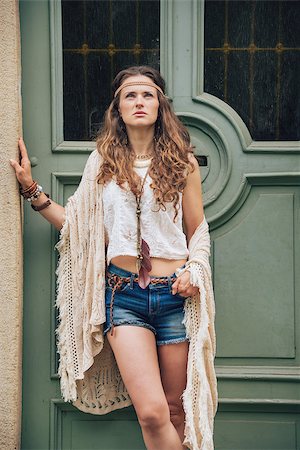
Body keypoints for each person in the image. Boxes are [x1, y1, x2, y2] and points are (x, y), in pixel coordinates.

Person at [10, 66, 218, 450]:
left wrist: (196, 270)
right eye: (130, 96)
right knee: (153, 413)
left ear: (160, 105)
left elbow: (198, 230)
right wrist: (32, 191)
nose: (139, 102)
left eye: (148, 95)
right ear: (118, 109)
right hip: (125, 299)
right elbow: (78, 227)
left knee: (177, 410)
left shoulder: (182, 162)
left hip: (175, 296)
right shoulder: (101, 164)